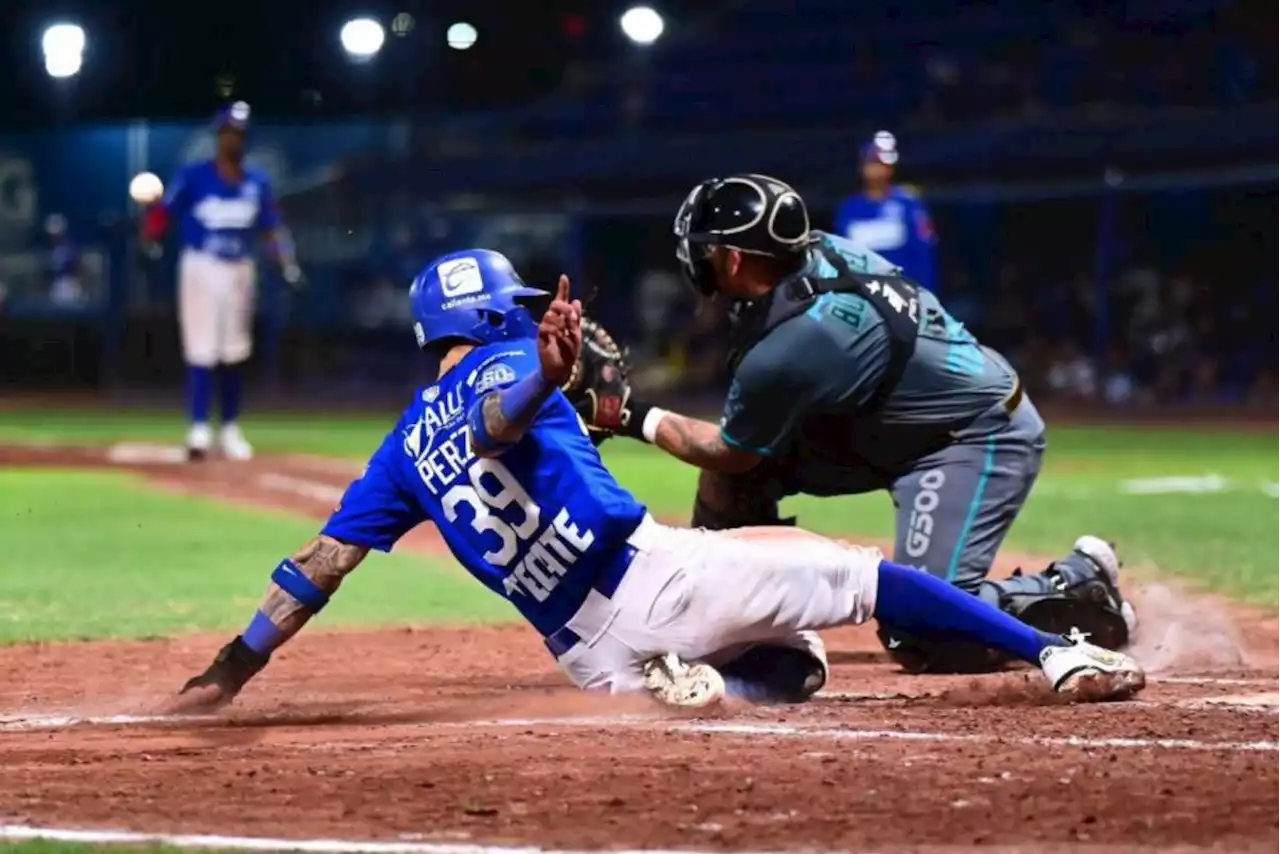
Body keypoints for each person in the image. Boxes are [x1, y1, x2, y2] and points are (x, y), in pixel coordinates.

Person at [169, 248, 1143, 714]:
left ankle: (702, 678)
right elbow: (497, 415)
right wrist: (547, 374)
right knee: (856, 575)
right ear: (482, 319)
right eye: (510, 307)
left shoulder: (395, 447)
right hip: (650, 576)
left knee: (794, 661)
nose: (530, 319)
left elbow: (320, 562)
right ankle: (1054, 651)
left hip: (584, 653)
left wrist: (236, 662)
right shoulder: (509, 369)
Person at [579, 173, 1137, 677]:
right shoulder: (811, 259)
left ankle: (1074, 582)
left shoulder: (796, 346)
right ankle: (724, 619)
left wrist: (626, 413)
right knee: (738, 483)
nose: (694, 258)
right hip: (885, 425)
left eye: (705, 248)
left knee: (924, 632)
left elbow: (732, 450)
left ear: (733, 261)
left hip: (972, 435)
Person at [141, 101, 302, 461]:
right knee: (201, 349)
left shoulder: (257, 182)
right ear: (219, 135)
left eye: (241, 133)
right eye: (230, 131)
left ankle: (229, 427)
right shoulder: (195, 176)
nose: (235, 139)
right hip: (202, 265)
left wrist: (286, 263)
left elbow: (272, 228)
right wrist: (149, 239)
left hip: (239, 269)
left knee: (233, 351)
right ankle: (198, 427)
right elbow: (165, 212)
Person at [834, 132, 938, 292]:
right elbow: (842, 256)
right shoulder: (849, 207)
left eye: (883, 164)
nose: (878, 169)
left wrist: (925, 294)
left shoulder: (908, 202)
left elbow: (924, 253)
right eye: (873, 163)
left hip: (907, 291)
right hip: (865, 294)